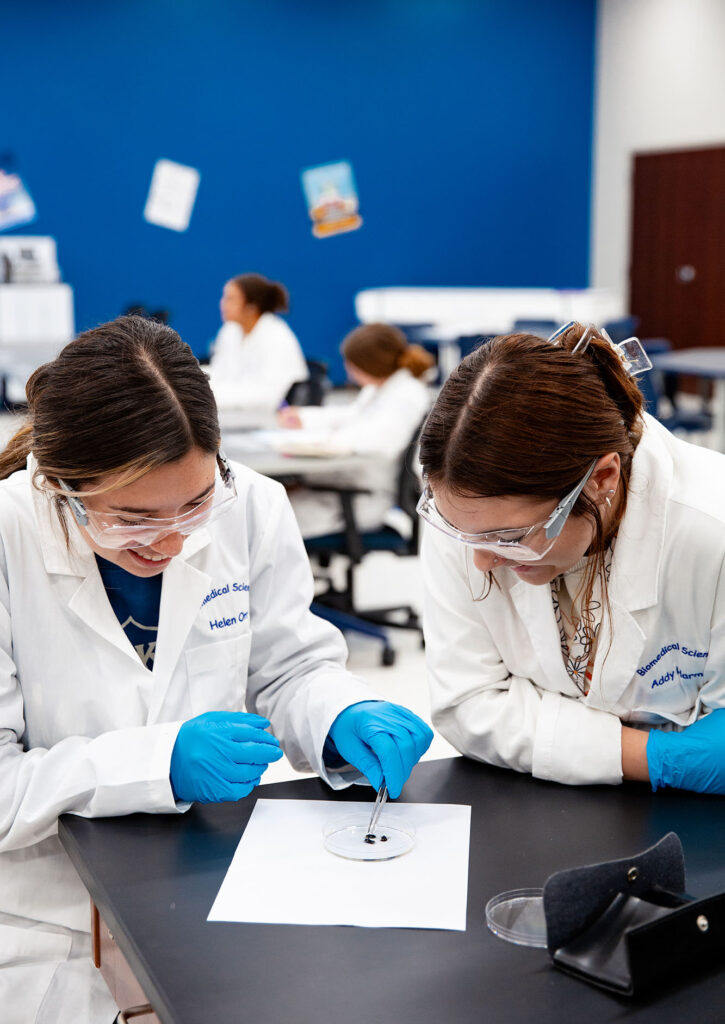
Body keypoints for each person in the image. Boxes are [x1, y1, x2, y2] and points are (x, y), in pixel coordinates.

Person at [0, 315, 432, 1024]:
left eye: (195, 504)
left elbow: (287, 665)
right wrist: (159, 761)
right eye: (132, 519)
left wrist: (334, 712)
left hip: (209, 881)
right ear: (59, 484)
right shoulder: (7, 536)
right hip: (44, 916)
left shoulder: (251, 504)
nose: (169, 540)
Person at [417, 321, 725, 796]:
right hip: (534, 801)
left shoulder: (711, 527)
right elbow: (470, 702)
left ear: (603, 477)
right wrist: (653, 755)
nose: (480, 562)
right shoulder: (467, 512)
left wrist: (551, 727)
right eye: (463, 535)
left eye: (512, 537)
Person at [278, 322, 435, 539]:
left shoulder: (406, 395)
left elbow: (380, 442)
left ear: (368, 364)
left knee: (269, 520)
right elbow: (351, 416)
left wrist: (325, 442)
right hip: (342, 487)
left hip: (357, 497)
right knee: (269, 506)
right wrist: (305, 417)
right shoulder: (380, 389)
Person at [207, 272, 308, 412]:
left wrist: (210, 396)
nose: (223, 304)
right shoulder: (229, 331)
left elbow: (269, 396)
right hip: (236, 414)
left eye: (231, 299)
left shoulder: (276, 337)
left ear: (251, 307)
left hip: (273, 418)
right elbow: (219, 374)